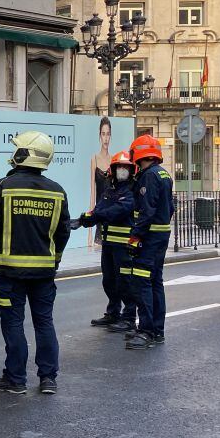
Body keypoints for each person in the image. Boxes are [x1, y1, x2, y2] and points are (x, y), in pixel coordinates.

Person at [0, 131, 70, 395]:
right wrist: (54, 261)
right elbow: (62, 232)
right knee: (44, 323)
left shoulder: (2, 187)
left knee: (14, 324)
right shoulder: (58, 192)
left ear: (24, 154)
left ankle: (16, 379)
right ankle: (48, 379)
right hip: (44, 273)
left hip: (10, 273)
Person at [75, 151, 137, 333]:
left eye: (126, 167)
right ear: (114, 169)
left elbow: (116, 211)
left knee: (125, 281)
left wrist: (92, 216)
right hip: (109, 245)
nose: (122, 170)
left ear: (131, 170)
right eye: (120, 167)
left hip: (124, 247)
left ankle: (129, 318)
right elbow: (99, 210)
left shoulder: (132, 191)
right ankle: (113, 313)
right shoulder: (109, 191)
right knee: (109, 281)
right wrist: (83, 220)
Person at [125, 135, 174, 350]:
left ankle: (146, 331)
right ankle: (157, 330)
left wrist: (135, 236)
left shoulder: (149, 176)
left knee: (142, 282)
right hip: (160, 236)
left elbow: (146, 210)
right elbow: (169, 208)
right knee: (155, 282)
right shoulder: (164, 174)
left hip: (150, 237)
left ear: (139, 154)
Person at [89, 117, 112, 247]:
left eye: (108, 134)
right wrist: (89, 232)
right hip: (99, 213)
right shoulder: (94, 159)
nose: (106, 138)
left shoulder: (114, 160)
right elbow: (93, 193)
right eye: (103, 134)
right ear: (100, 135)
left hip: (112, 214)